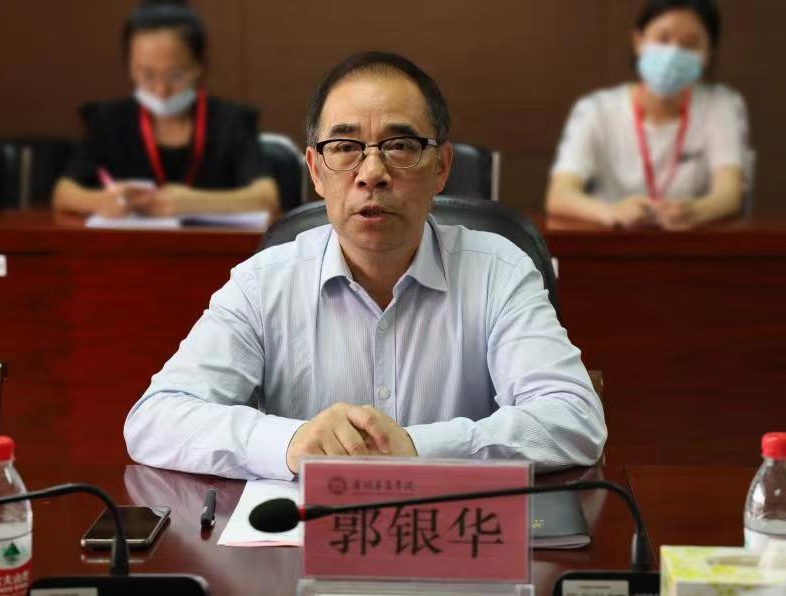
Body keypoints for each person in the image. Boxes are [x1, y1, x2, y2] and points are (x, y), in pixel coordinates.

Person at [124, 52, 606, 481]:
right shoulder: (262, 283)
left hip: (451, 535)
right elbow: (154, 420)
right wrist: (290, 443)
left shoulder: (499, 272)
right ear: (315, 170)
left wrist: (419, 449)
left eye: (400, 146)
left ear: (441, 167)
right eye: (345, 147)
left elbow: (575, 418)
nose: (372, 173)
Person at [52, 0, 279, 218]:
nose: (161, 90)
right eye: (147, 75)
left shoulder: (231, 121)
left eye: (176, 76)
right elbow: (64, 193)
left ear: (199, 66)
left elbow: (267, 197)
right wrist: (100, 201)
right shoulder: (107, 121)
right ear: (129, 67)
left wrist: (195, 203)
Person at [546, 0, 749, 230]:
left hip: (691, 241)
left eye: (690, 44)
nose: (674, 53)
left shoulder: (722, 105)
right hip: (611, 239)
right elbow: (559, 195)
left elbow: (730, 193)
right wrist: (611, 213)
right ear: (638, 41)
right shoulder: (594, 109)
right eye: (663, 38)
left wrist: (695, 211)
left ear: (709, 53)